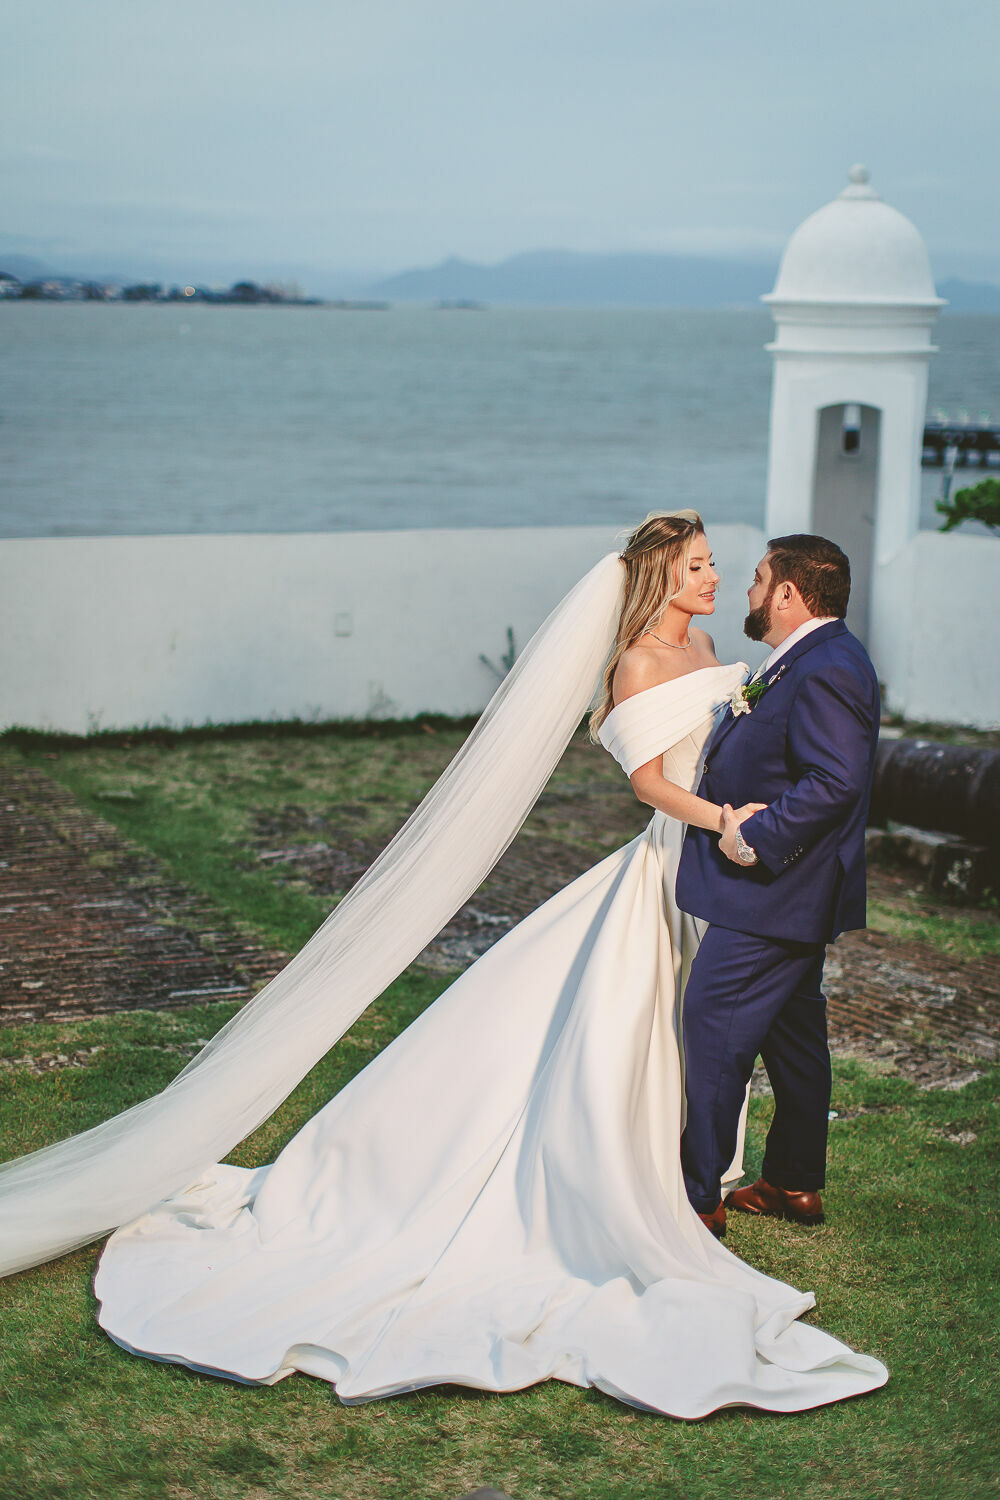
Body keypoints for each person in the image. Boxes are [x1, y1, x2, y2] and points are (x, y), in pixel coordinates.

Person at [0, 513, 888, 1419]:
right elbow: (650, 781)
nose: (717, 578)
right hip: (688, 856)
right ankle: (677, 1191)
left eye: (722, 567)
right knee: (644, 1027)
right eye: (698, 566)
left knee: (743, 1023)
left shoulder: (724, 651)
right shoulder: (635, 662)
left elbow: (780, 756)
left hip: (738, 875)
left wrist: (750, 827)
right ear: (660, 575)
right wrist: (725, 823)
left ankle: (745, 1176)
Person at [676, 535, 880, 1241]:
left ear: (789, 593)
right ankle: (794, 1181)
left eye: (760, 579)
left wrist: (753, 838)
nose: (749, 589)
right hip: (791, 892)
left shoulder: (830, 666)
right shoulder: (808, 656)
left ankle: (696, 1197)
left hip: (776, 890)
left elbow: (836, 781)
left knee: (712, 1022)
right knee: (794, 1039)